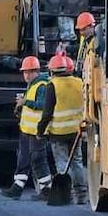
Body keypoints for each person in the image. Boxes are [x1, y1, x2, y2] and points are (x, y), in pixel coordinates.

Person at [0, 56, 53, 200]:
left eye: (29, 72)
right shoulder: (33, 85)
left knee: (38, 159)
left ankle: (47, 189)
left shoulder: (42, 85)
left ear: (36, 71)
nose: (26, 75)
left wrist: (25, 102)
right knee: (23, 158)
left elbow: (43, 105)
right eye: (24, 72)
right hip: (27, 130)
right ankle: (17, 187)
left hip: (37, 130)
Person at [38, 55, 88, 205]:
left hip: (58, 133)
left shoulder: (52, 85)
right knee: (77, 162)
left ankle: (68, 194)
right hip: (76, 130)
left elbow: (47, 112)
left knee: (63, 163)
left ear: (52, 71)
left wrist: (40, 131)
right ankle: (82, 195)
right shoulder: (80, 83)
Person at [74, 12, 97, 78]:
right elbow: (80, 48)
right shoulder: (84, 38)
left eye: (84, 29)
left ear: (91, 26)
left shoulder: (96, 42)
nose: (82, 32)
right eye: (80, 30)